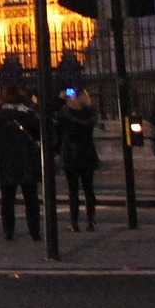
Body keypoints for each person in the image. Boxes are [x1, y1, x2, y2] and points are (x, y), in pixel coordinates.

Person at [0, 87, 42, 241]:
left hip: (6, 159)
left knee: (7, 199)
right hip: (27, 159)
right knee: (31, 199)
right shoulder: (29, 114)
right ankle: (34, 231)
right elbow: (40, 132)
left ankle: (8, 231)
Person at [58, 89, 100, 231]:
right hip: (87, 152)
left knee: (73, 191)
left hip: (71, 153)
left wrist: (62, 100)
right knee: (89, 189)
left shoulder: (65, 113)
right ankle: (91, 220)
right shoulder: (90, 112)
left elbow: (56, 122)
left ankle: (74, 222)